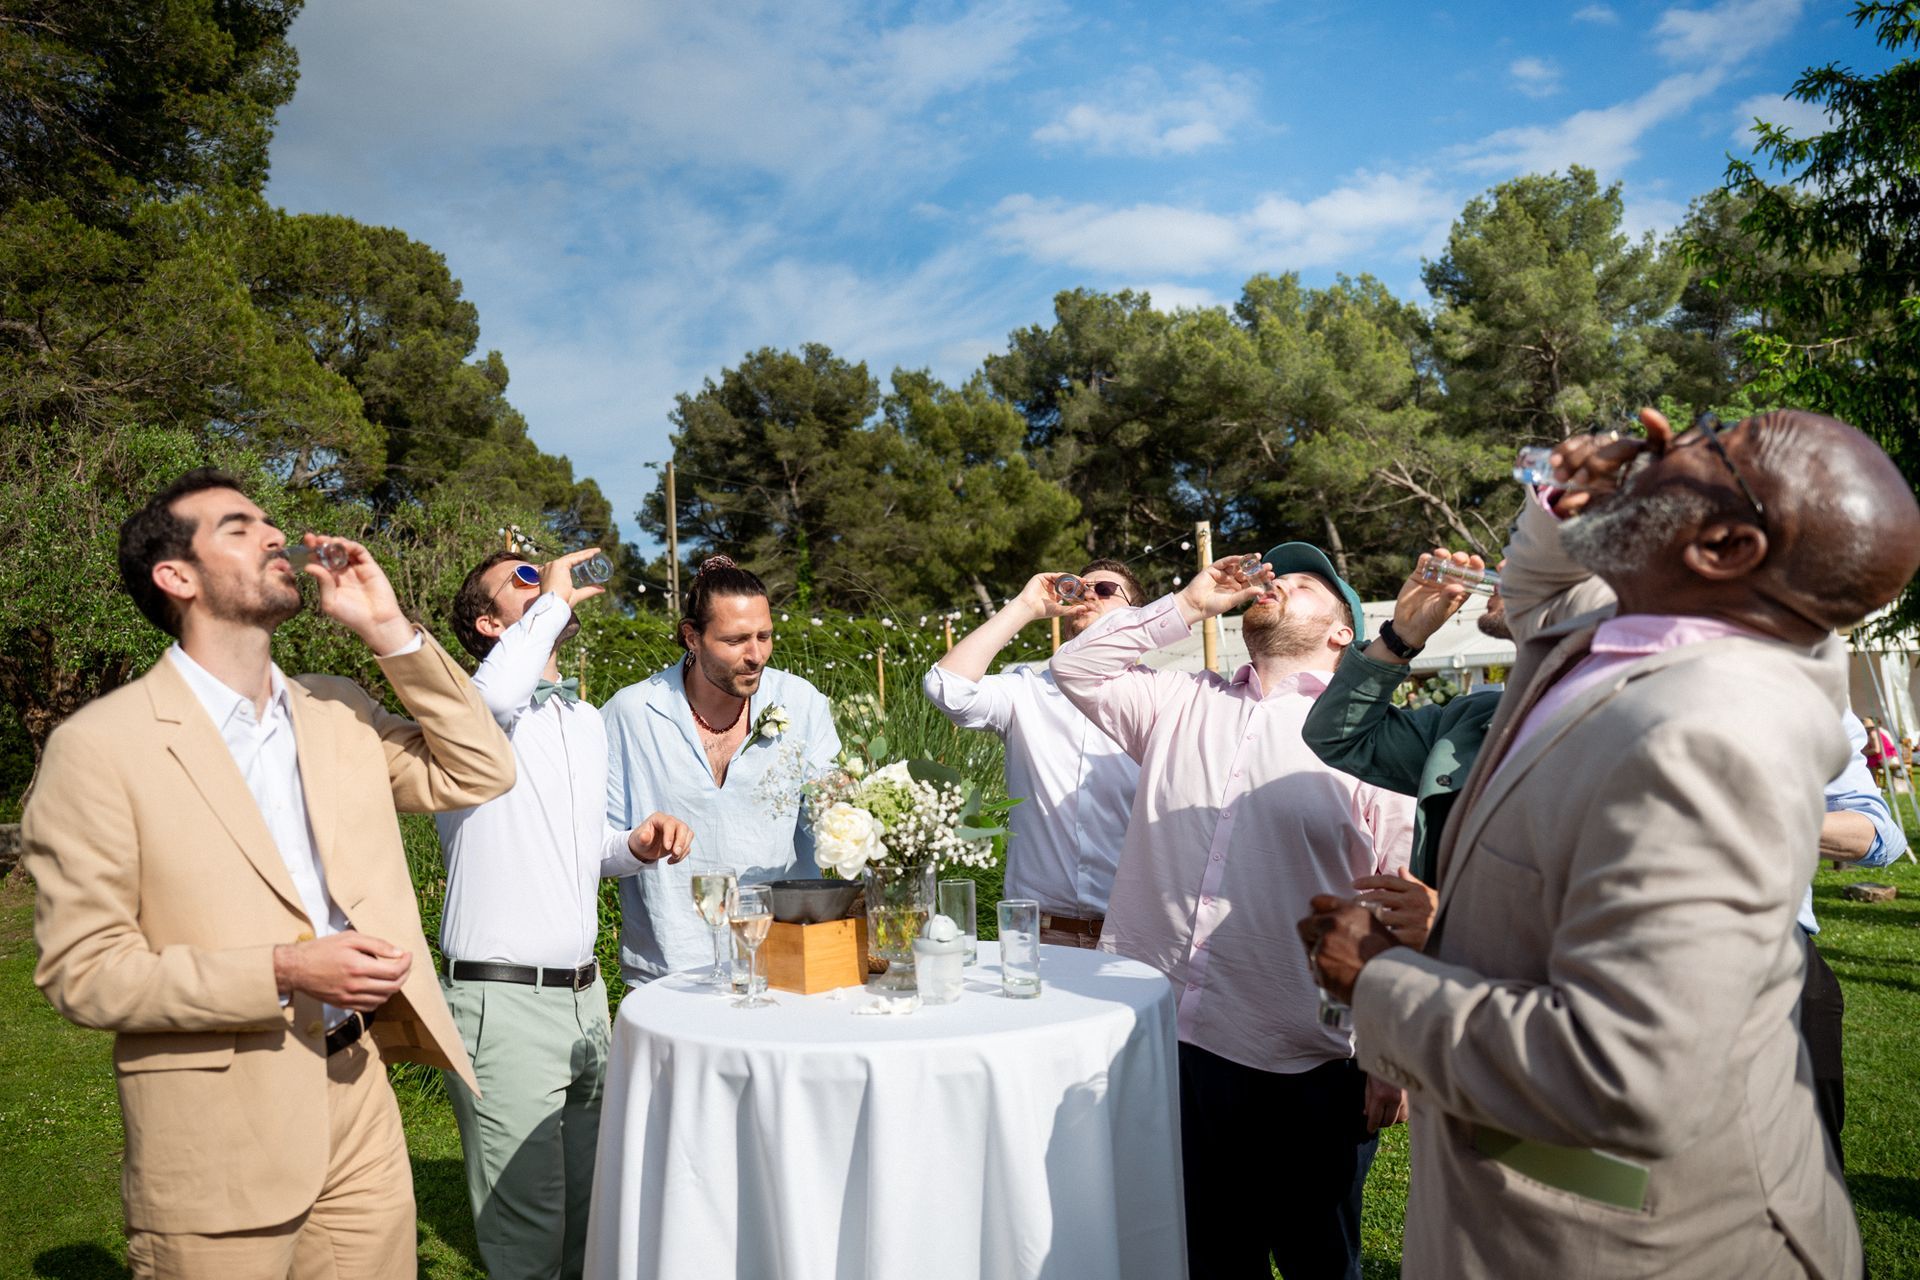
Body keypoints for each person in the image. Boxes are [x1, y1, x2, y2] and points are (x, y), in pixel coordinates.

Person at [1300, 409, 1920, 1279]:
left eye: (1708, 445)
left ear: (1726, 547)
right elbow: (1533, 595)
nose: (1659, 433)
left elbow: (1623, 1074)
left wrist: (1379, 982)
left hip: (1614, 1239)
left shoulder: (1707, 741)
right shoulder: (1650, 627)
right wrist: (1564, 501)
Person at [22, 469, 515, 1279]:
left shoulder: (338, 707)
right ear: (177, 576)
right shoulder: (101, 746)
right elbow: (85, 973)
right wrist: (284, 970)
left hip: (361, 1098)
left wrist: (390, 630)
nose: (275, 534)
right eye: (238, 527)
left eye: (268, 521)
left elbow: (480, 769)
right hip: (216, 1127)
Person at [1051, 543, 1415, 1280]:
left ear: (1343, 631)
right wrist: (1189, 604)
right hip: (1173, 1044)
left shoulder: (1371, 740)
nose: (1277, 583)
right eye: (1277, 575)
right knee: (1209, 1259)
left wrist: (1392, 1054)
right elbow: (1075, 666)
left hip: (1309, 1056)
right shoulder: (1180, 701)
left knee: (1320, 1265)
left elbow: (1400, 896)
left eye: (1305, 582)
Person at [438, 547, 695, 1279]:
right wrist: (551, 601)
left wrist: (634, 845)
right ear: (490, 625)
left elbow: (585, 849)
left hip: (585, 1000)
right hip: (500, 1002)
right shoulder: (470, 705)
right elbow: (497, 696)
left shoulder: (583, 719)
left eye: (540, 574)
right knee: (528, 1236)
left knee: (593, 1217)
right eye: (522, 580)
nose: (543, 581)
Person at [601, 555, 840, 981]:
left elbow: (829, 826)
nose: (756, 655)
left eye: (765, 636)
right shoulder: (631, 713)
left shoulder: (801, 702)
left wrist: (853, 814)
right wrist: (638, 845)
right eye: (735, 641)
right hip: (669, 973)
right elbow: (596, 848)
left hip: (783, 962)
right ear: (692, 637)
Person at [922, 560, 1143, 947]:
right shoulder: (1028, 691)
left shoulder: (1162, 701)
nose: (1089, 594)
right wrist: (1025, 606)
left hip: (1130, 937)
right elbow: (947, 687)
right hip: (1037, 937)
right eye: (1080, 588)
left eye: (1105, 590)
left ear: (1138, 615)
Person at [1301, 551, 1511, 941]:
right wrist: (1400, 638)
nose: (1503, 565)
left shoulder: (1614, 724)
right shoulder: (1472, 721)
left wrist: (1450, 926)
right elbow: (1336, 736)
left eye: (1531, 544)